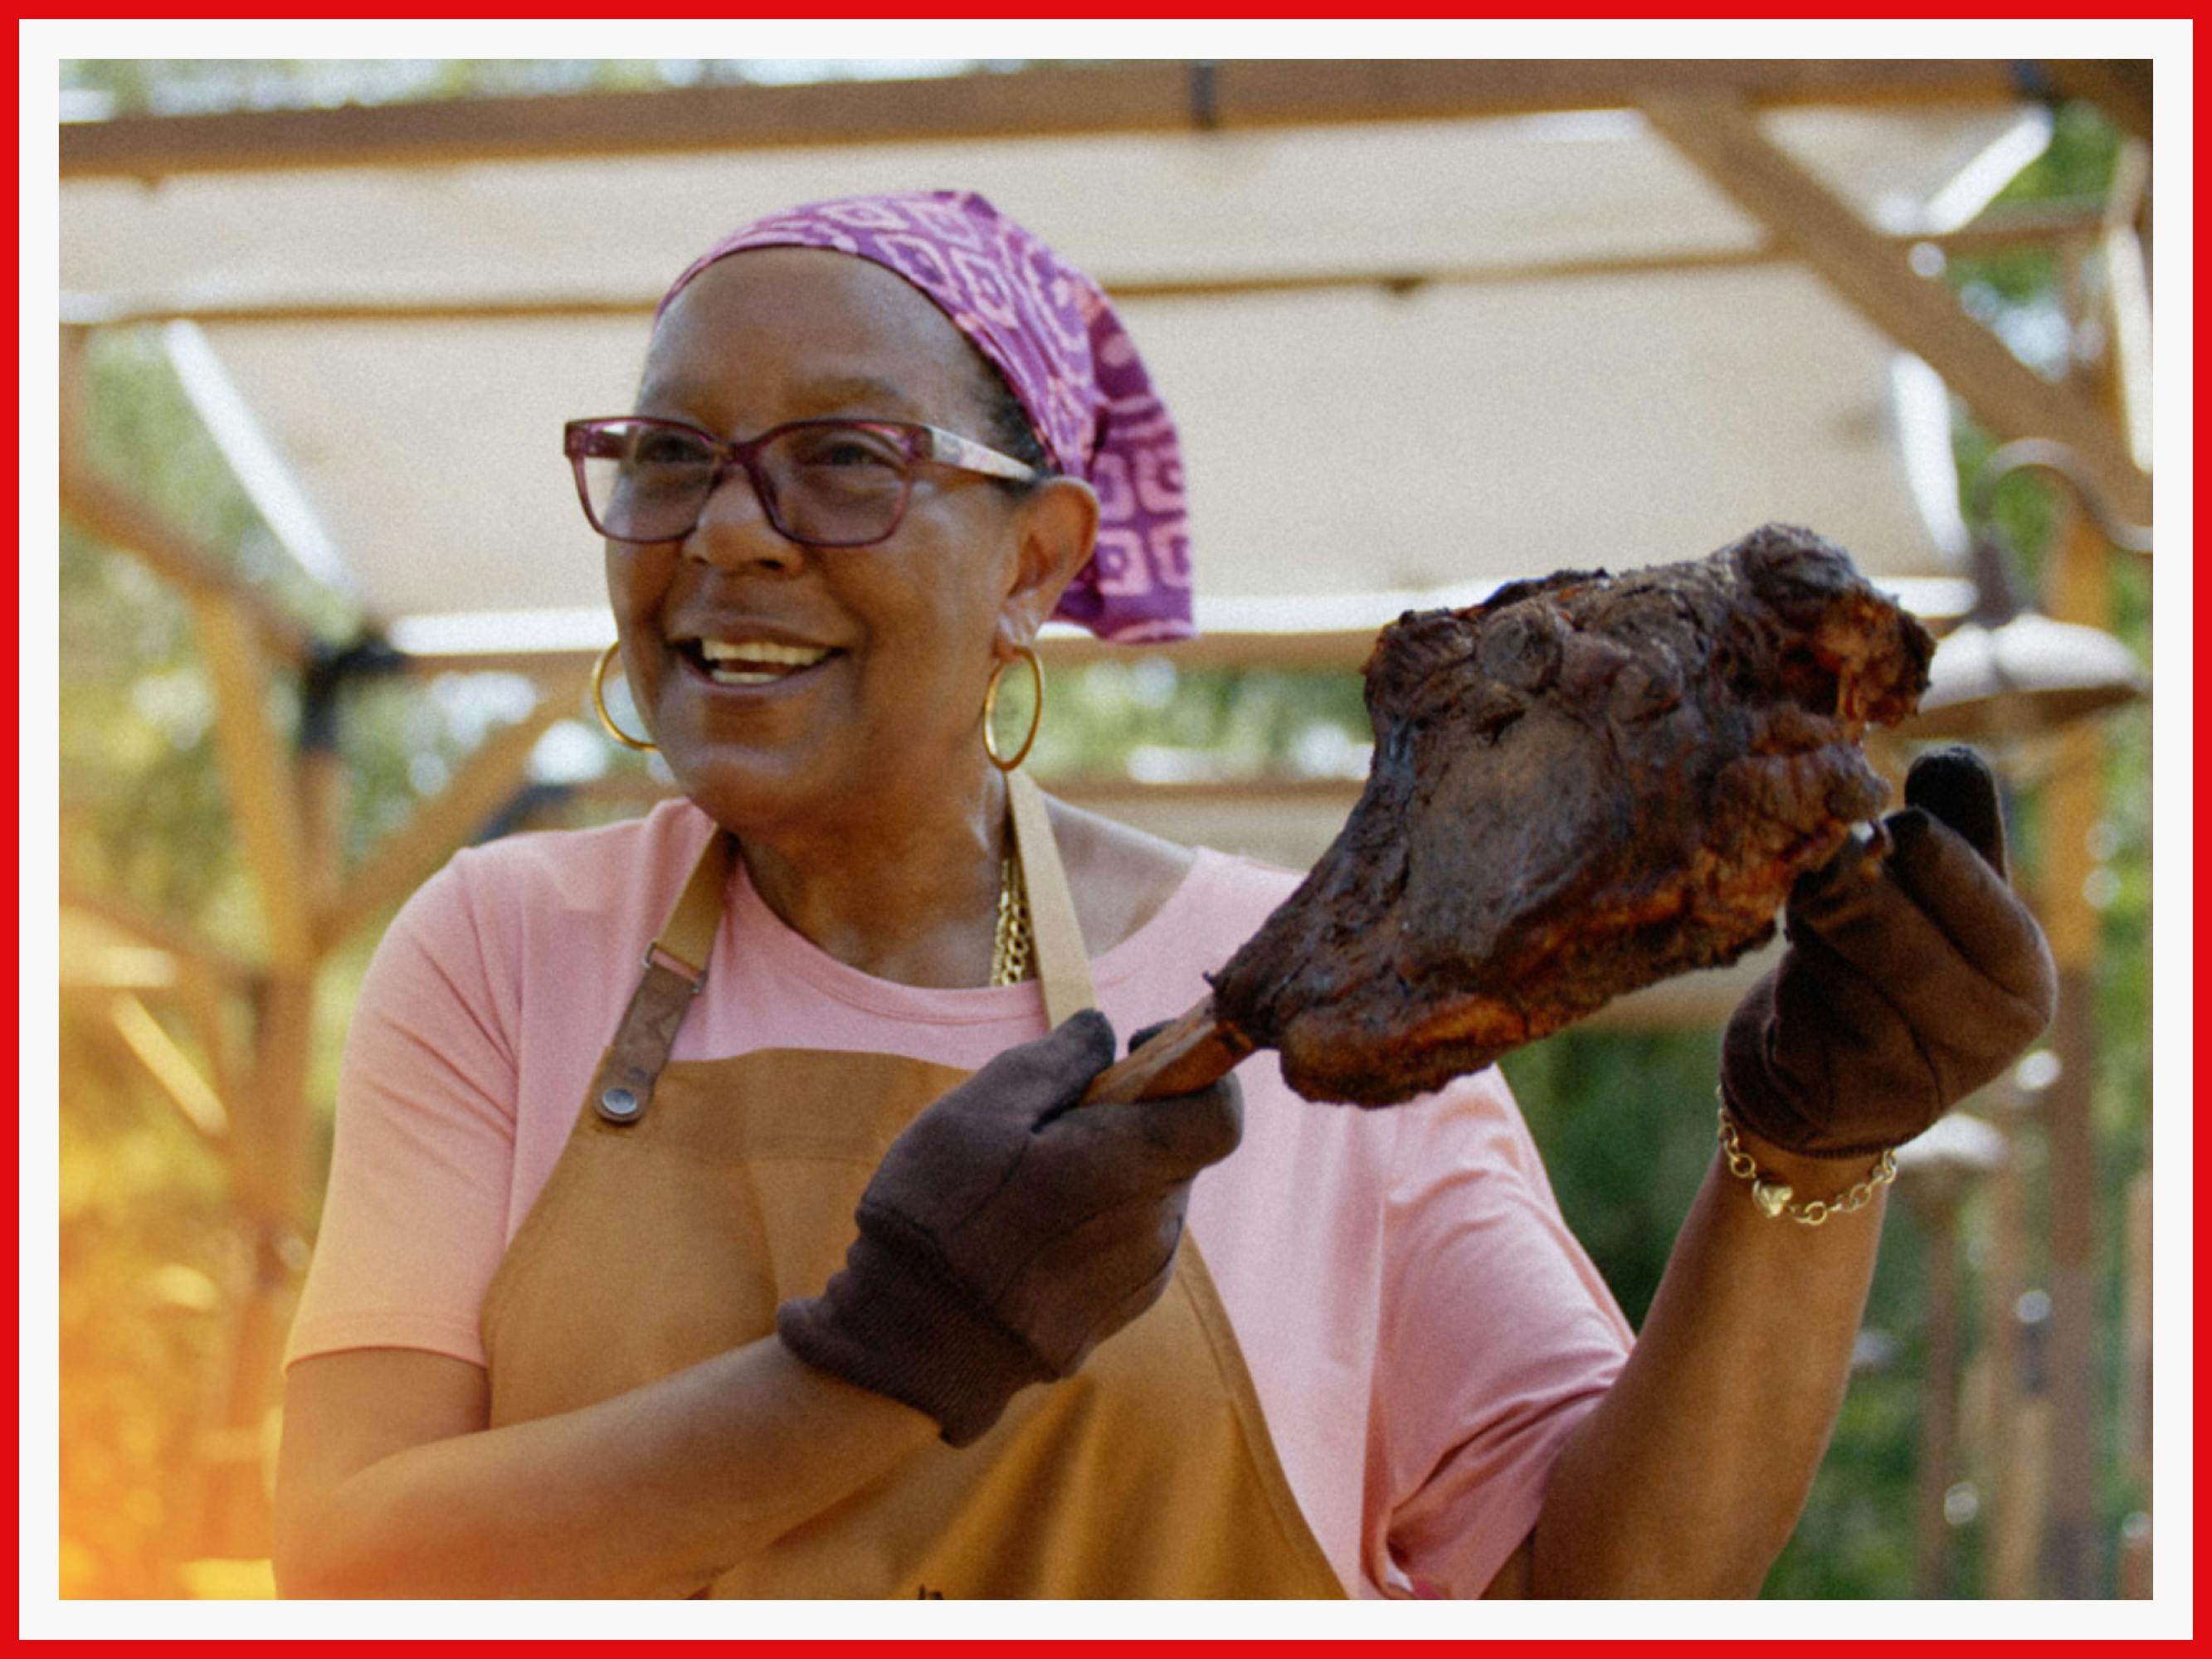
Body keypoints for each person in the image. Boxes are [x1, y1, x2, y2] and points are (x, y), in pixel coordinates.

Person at [271, 191, 2056, 1599]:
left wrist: (1808, 1154)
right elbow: (348, 1557)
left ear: (1035, 561)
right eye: (667, 457)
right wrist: (878, 1363)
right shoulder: (505, 949)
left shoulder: (1318, 985)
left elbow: (1610, 1576)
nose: (729, 529)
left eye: (845, 459)